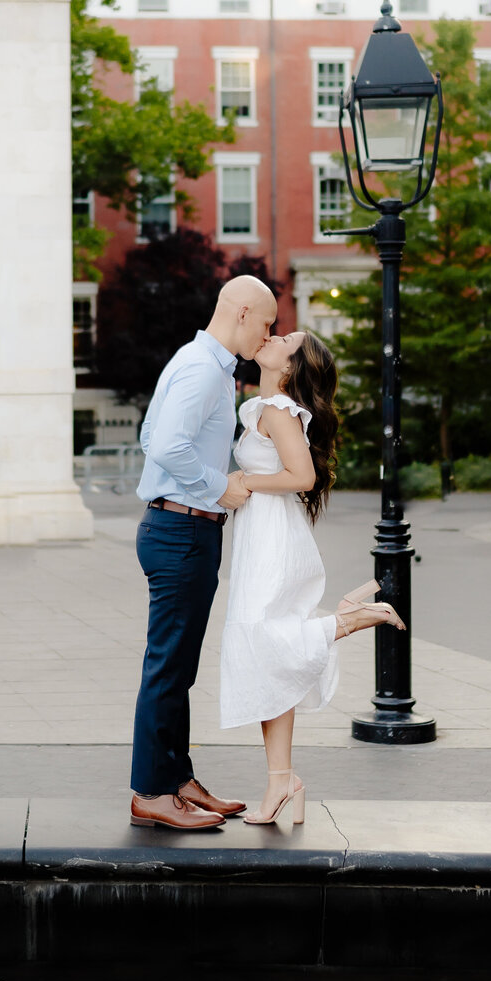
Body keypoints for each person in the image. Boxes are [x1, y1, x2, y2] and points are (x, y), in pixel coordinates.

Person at [219, 329, 404, 826]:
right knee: (266, 658)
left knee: (262, 643)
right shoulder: (266, 405)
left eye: (284, 338)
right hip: (266, 533)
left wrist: (240, 483)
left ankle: (349, 620)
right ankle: (283, 782)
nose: (273, 335)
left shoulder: (276, 409)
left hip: (273, 538)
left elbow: (303, 477)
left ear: (289, 366)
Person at [129, 275, 278, 833]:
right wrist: (218, 487)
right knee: (168, 665)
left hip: (181, 528)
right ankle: (151, 792)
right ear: (241, 312)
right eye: (266, 323)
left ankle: (177, 780)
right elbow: (165, 444)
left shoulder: (199, 363)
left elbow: (150, 437)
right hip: (181, 531)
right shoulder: (201, 369)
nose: (269, 335)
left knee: (178, 666)